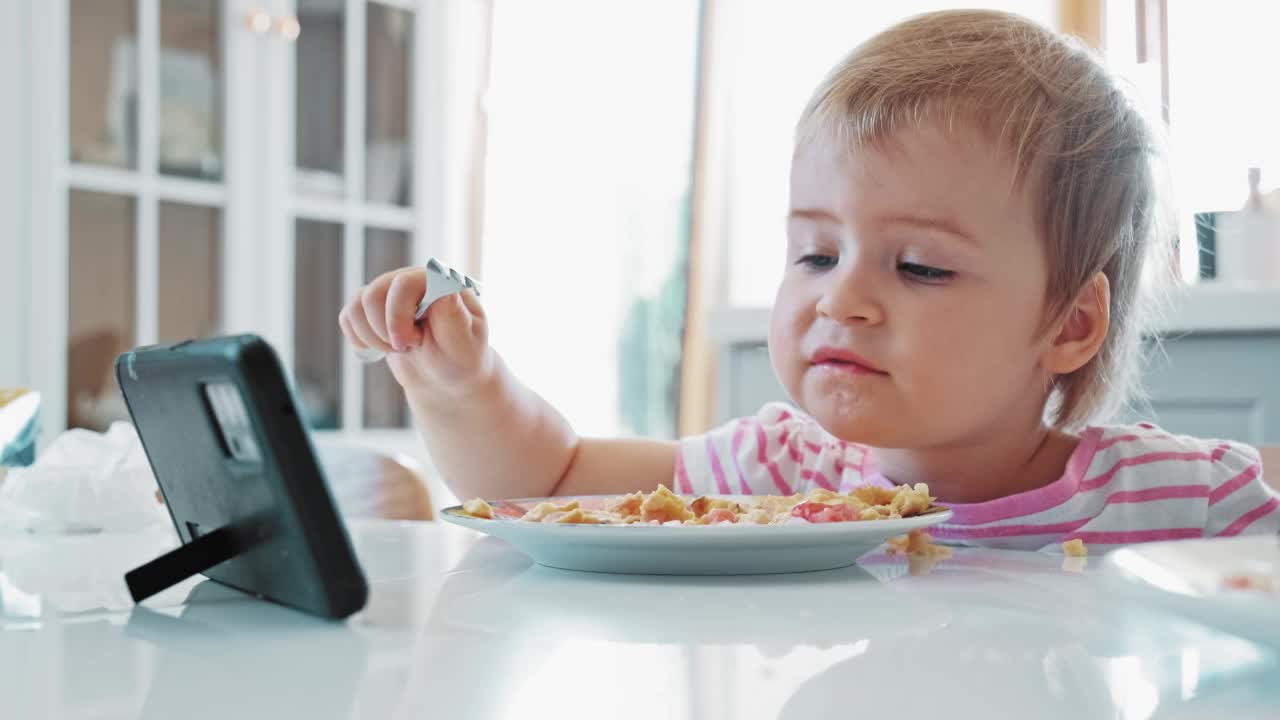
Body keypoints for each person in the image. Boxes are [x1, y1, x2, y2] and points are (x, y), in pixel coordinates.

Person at [338, 9, 1279, 550]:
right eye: (816, 255)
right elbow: (553, 480)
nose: (841, 299)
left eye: (918, 266)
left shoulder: (1180, 499)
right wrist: (463, 388)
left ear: (1069, 326)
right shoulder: (786, 471)